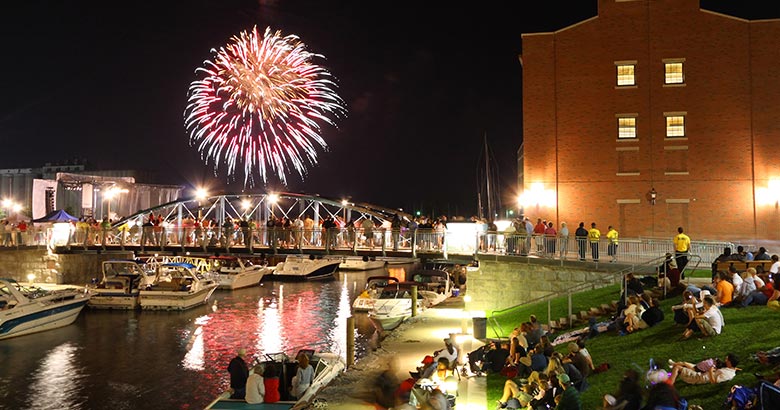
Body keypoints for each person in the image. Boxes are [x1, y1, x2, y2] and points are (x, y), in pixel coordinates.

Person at [668, 353, 739, 385]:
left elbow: (714, 382)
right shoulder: (730, 368)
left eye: (727, 359)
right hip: (702, 371)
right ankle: (671, 378)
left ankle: (669, 386)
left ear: (729, 363)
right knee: (682, 365)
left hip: (701, 377)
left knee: (677, 368)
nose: (725, 360)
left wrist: (710, 371)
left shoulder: (727, 374)